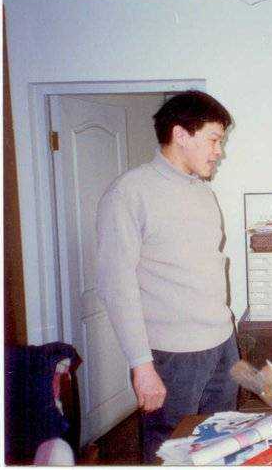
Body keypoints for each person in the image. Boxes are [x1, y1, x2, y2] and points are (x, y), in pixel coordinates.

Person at [96, 90, 238, 462]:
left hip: (222, 343)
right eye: (214, 139)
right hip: (173, 356)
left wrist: (227, 335)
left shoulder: (203, 192)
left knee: (220, 444)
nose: (219, 151)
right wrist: (141, 366)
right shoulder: (129, 193)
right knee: (169, 453)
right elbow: (116, 286)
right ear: (180, 135)